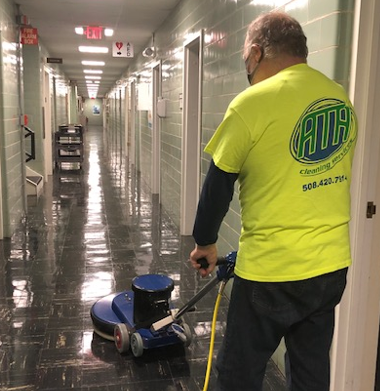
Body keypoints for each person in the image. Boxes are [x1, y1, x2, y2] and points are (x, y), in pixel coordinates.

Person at [189, 11, 357, 391]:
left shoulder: (252, 102)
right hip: (330, 267)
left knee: (240, 374)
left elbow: (218, 184)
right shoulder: (339, 99)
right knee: (311, 372)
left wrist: (205, 243)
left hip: (270, 272)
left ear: (255, 52)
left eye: (245, 59)